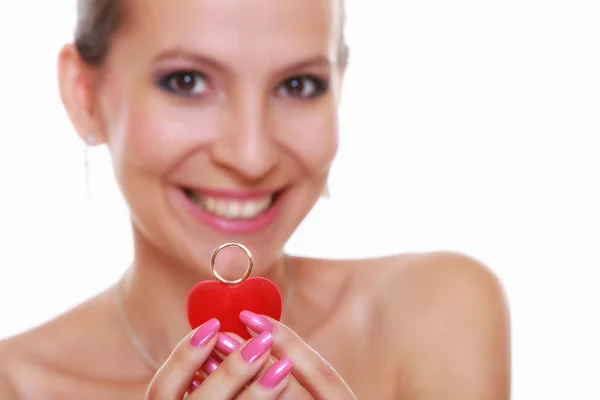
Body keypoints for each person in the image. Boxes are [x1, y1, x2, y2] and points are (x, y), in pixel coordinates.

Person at [0, 0, 511, 398]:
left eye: (298, 84)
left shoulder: (434, 314)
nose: (251, 156)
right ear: (83, 94)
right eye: (187, 81)